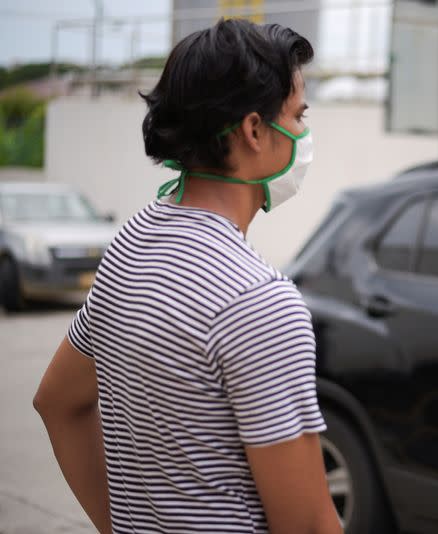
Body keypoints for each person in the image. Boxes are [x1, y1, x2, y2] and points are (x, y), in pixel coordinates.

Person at [33, 19, 342, 534]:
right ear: (254, 130)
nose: (305, 135)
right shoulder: (259, 303)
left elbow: (57, 402)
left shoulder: (130, 245)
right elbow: (308, 524)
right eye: (298, 115)